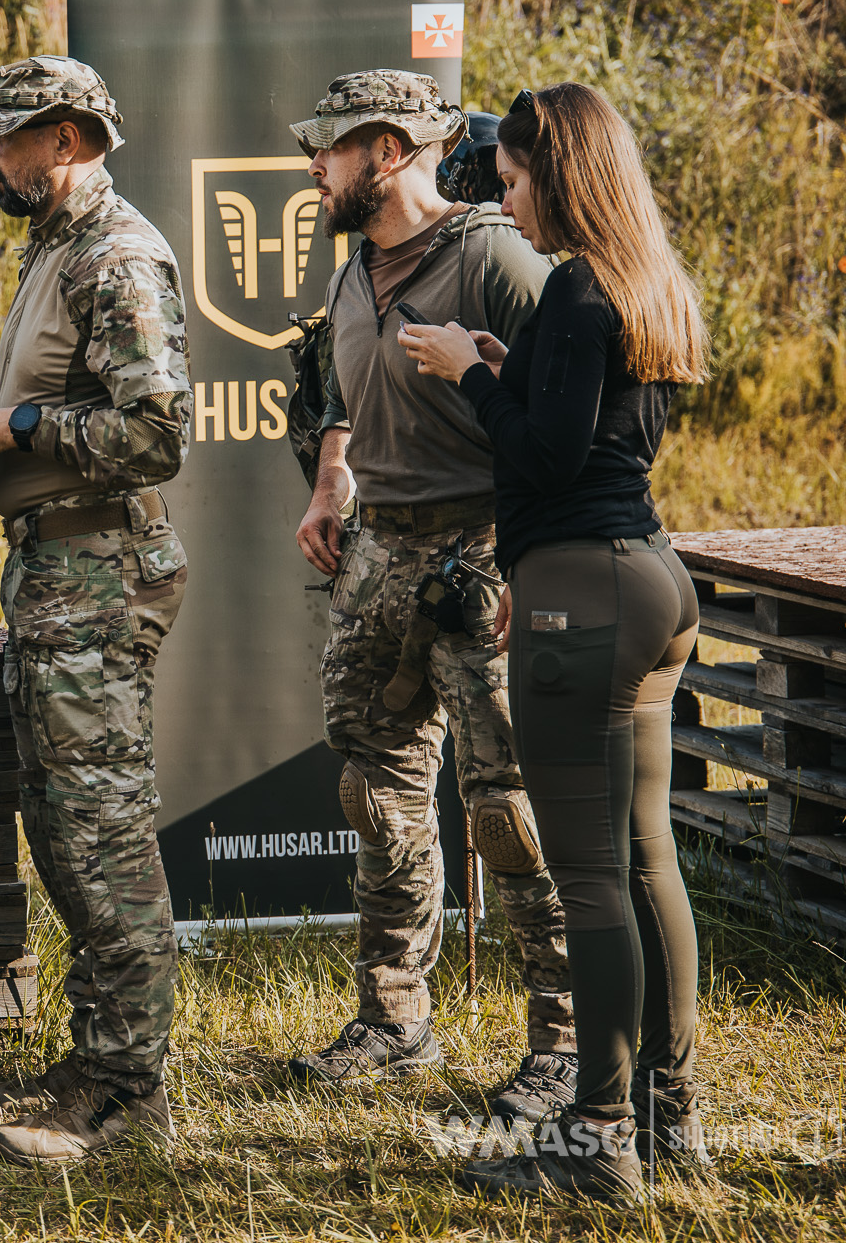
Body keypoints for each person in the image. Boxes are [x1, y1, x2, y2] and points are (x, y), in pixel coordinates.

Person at [399, 82, 710, 1199]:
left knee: (586, 881)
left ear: (561, 177)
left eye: (518, 180)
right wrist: (507, 361)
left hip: (584, 593)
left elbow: (542, 458)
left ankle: (596, 1144)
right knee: (644, 862)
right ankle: (671, 1121)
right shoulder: (636, 285)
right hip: (649, 584)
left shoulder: (577, 291)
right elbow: (590, 430)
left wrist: (470, 373)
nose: (508, 202)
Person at [287, 71, 578, 1126]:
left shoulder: (493, 257)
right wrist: (331, 484)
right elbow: (337, 390)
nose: (311, 166)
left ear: (391, 153)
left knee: (510, 811)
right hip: (376, 558)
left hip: (484, 566)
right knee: (377, 793)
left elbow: (573, 411)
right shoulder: (355, 268)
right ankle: (393, 1014)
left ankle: (563, 1042)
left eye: (329, 148)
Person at [0, 56, 191, 1163]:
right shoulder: (53, 249)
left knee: (103, 838)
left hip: (97, 572)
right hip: (52, 568)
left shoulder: (115, 256)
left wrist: (23, 433)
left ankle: (133, 1095)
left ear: (69, 141)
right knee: (59, 826)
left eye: (6, 137)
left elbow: (157, 436)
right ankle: (99, 1061)